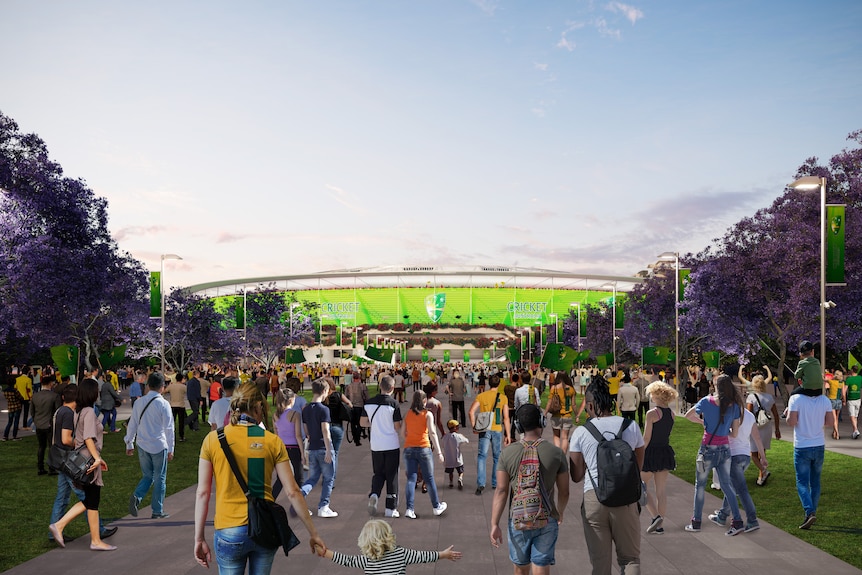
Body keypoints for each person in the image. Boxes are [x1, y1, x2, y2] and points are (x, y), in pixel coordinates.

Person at [194, 382, 325, 573]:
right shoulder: (272, 441)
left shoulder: (213, 440)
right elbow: (293, 492)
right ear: (258, 407)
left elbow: (203, 493)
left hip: (229, 529)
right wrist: (313, 533)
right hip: (264, 527)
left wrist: (199, 538)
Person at [569, 378, 644, 575]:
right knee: (630, 559)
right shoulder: (631, 426)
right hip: (626, 498)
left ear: (591, 405)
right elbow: (638, 466)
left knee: (600, 564)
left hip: (595, 498)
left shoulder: (581, 432)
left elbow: (576, 476)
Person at [491, 403, 569, 575]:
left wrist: (494, 523)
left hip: (518, 518)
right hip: (547, 516)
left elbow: (502, 491)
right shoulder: (557, 453)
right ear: (542, 421)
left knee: (520, 567)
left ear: (518, 426)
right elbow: (564, 491)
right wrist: (560, 512)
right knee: (541, 566)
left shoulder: (507, 453)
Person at [48, 378, 116, 551]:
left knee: (91, 501)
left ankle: (93, 538)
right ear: (92, 393)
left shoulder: (78, 412)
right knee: (91, 500)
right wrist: (97, 459)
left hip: (83, 459)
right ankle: (62, 526)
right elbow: (87, 438)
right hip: (87, 461)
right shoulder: (88, 412)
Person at [683, 374, 743, 534]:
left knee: (700, 486)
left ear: (716, 386)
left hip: (707, 448)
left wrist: (703, 422)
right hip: (724, 449)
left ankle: (696, 522)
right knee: (727, 486)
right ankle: (737, 520)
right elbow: (735, 434)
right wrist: (723, 432)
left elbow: (688, 415)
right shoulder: (735, 406)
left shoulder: (706, 401)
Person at [314, 519, 461, 572]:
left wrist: (325, 552)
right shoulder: (401, 554)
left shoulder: (367, 559)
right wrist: (443, 554)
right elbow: (423, 556)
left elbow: (347, 560)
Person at [708, 403, 766, 534]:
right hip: (745, 456)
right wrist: (762, 457)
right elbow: (757, 437)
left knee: (740, 490)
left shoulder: (729, 414)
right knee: (732, 488)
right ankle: (722, 516)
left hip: (733, 456)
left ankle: (752, 520)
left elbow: (724, 434)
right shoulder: (750, 415)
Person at [125, 372, 175, 519]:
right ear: (162, 387)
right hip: (159, 445)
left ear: (148, 386)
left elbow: (132, 424)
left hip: (142, 444)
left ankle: (137, 495)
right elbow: (169, 429)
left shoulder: (139, 402)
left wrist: (129, 443)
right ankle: (157, 510)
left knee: (148, 475)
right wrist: (171, 448)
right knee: (160, 478)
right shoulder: (164, 404)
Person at [787, 381, 833, 529]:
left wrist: (788, 414)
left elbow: (791, 422)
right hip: (818, 444)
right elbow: (830, 422)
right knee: (815, 482)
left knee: (801, 482)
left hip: (802, 445)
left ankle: (809, 511)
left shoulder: (796, 399)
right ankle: (811, 512)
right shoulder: (825, 400)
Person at [402, 389, 447, 519]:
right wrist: (439, 452)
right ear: (424, 401)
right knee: (429, 478)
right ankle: (436, 506)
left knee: (411, 479)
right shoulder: (427, 414)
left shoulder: (408, 414)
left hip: (409, 448)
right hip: (423, 448)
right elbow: (432, 433)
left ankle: (409, 509)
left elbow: (403, 433)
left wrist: (410, 440)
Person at [640, 381, 678, 535]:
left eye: (652, 394)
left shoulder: (652, 414)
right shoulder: (672, 414)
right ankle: (660, 524)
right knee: (661, 491)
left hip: (651, 453)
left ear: (657, 395)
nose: (650, 396)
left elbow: (646, 438)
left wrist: (638, 453)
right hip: (665, 452)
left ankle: (655, 516)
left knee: (640, 485)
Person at [364, 374, 403, 518]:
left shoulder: (369, 403)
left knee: (378, 473)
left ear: (380, 386)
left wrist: (374, 424)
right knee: (392, 474)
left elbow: (362, 422)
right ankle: (390, 508)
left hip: (376, 445)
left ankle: (374, 494)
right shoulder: (393, 404)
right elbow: (397, 426)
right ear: (392, 388)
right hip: (391, 444)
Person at [469, 375, 512, 496]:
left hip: (484, 428)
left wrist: (474, 426)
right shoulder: (503, 398)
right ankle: (495, 482)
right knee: (497, 457)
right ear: (498, 384)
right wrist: (508, 434)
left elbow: (471, 411)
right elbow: (506, 418)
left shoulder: (481, 396)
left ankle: (481, 484)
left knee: (482, 456)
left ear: (489, 383)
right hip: (497, 429)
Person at [302, 378, 338, 518]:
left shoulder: (305, 409)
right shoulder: (324, 410)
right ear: (324, 391)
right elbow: (326, 430)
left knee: (313, 477)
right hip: (323, 447)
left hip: (312, 447)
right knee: (329, 478)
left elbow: (306, 431)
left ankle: (301, 495)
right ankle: (324, 506)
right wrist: (329, 450)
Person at [743, 365, 781, 485]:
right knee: (762, 453)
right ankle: (761, 476)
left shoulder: (751, 397)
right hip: (767, 427)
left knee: (753, 454)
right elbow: (776, 415)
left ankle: (763, 470)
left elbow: (748, 415)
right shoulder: (769, 397)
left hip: (755, 428)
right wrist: (777, 430)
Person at [272, 388, 304, 500]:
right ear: (291, 400)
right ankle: (299, 503)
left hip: (281, 448)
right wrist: (303, 453)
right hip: (294, 448)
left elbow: (276, 436)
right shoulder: (295, 414)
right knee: (299, 477)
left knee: (281, 478)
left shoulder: (275, 415)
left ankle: (270, 500)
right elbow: (298, 435)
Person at [32, 375, 61, 475]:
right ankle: (51, 468)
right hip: (49, 424)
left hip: (39, 424)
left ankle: (40, 467)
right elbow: (57, 412)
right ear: (50, 384)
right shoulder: (54, 396)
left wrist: (36, 421)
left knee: (41, 446)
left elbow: (32, 412)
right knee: (51, 447)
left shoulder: (35, 396)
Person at [544, 371, 577, 451]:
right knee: (565, 438)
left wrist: (545, 413)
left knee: (556, 436)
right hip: (567, 415)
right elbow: (573, 405)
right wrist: (577, 415)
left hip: (556, 415)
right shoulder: (571, 389)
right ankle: (563, 456)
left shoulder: (554, 388)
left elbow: (549, 402)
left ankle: (558, 455)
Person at [442, 419, 469, 489]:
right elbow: (466, 441)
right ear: (454, 428)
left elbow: (442, 443)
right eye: (457, 427)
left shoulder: (445, 436)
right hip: (457, 458)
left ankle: (451, 482)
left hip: (449, 458)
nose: (458, 428)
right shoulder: (458, 436)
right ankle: (460, 478)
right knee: (461, 471)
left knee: (450, 472)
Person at [346, 370, 368, 446]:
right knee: (359, 423)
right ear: (359, 377)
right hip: (360, 406)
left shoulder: (349, 386)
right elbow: (366, 397)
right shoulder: (362, 386)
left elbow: (346, 397)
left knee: (352, 423)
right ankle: (357, 439)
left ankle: (355, 437)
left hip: (351, 406)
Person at [165, 372, 188, 442]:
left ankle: (170, 436)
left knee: (172, 422)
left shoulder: (171, 386)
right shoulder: (183, 387)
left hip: (173, 405)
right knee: (181, 422)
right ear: (181, 379)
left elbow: (164, 391)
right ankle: (181, 436)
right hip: (181, 405)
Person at [844, 365, 861, 439]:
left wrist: (844, 399)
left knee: (852, 416)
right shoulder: (860, 378)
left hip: (851, 399)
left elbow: (844, 390)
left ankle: (856, 430)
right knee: (855, 416)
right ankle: (854, 431)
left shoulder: (849, 379)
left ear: (852, 370)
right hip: (858, 399)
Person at [3, 376, 23, 441]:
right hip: (17, 406)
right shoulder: (15, 391)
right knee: (16, 422)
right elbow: (20, 397)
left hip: (10, 407)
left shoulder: (5, 391)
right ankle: (14, 436)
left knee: (10, 422)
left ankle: (5, 436)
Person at [825, 370, 843, 439]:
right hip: (838, 400)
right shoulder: (841, 383)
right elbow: (843, 393)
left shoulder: (831, 382)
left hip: (832, 400)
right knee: (837, 418)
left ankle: (837, 432)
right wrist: (843, 399)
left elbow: (825, 379)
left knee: (834, 418)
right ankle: (834, 432)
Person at [16, 367, 34, 431]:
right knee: (25, 412)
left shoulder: (17, 379)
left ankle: (16, 425)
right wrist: (31, 397)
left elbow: (15, 388)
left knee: (18, 412)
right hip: (26, 397)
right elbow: (29, 390)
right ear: (28, 372)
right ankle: (24, 425)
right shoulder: (28, 379)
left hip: (18, 397)